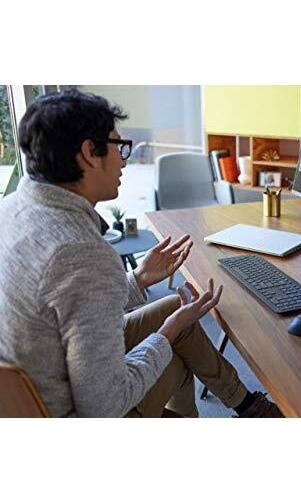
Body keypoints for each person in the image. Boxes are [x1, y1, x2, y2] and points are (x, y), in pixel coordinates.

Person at [0, 89, 282, 418]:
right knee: (175, 353)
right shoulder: (81, 252)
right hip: (76, 413)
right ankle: (246, 409)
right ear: (89, 153)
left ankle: (247, 406)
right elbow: (104, 406)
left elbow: (68, 305)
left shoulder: (11, 209)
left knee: (175, 308)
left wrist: (139, 279)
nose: (124, 160)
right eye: (119, 147)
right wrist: (168, 333)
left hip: (32, 389)